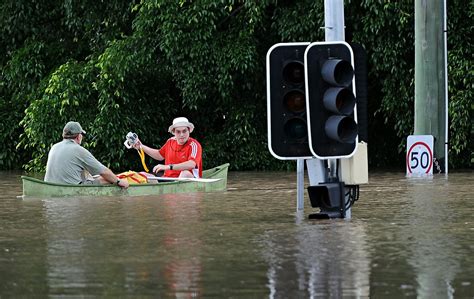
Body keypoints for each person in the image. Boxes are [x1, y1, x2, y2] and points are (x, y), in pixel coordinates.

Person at [44, 121, 129, 188]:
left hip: (50, 186)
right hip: (71, 189)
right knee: (108, 178)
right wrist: (119, 181)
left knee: (89, 174)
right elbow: (104, 171)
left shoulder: (54, 147)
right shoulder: (79, 150)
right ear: (78, 137)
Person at [133, 117, 202, 178]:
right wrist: (141, 146)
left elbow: (192, 164)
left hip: (188, 178)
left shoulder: (194, 145)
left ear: (189, 130)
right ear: (174, 132)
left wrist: (168, 167)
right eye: (178, 132)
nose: (182, 135)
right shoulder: (170, 141)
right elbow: (159, 155)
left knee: (185, 173)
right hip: (167, 178)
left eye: (184, 131)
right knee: (143, 175)